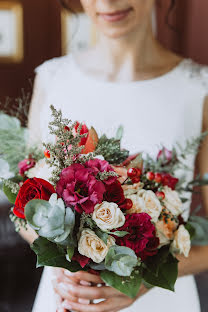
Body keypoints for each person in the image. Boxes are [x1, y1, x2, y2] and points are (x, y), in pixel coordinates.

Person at [25, 0, 208, 311]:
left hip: (161, 300)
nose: (107, 2)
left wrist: (142, 279)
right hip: (68, 296)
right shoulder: (53, 79)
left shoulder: (197, 90)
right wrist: (73, 260)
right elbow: (27, 208)